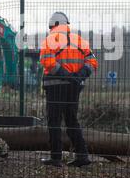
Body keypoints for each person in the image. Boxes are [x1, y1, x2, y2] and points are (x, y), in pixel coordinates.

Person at [39, 11, 98, 167]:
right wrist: (79, 75)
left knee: (54, 121)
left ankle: (56, 157)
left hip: (55, 86)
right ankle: (82, 156)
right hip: (74, 87)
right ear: (66, 25)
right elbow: (92, 61)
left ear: (54, 25)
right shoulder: (80, 40)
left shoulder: (50, 39)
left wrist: (65, 75)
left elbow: (47, 61)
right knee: (72, 120)